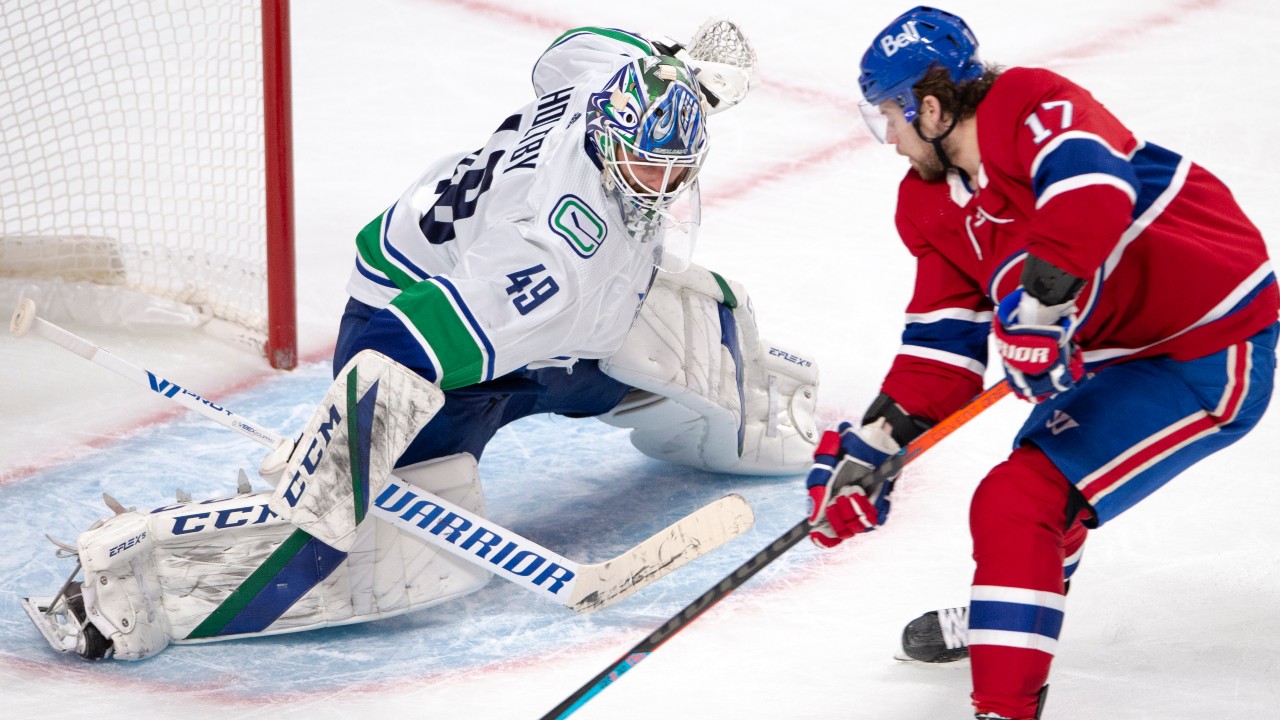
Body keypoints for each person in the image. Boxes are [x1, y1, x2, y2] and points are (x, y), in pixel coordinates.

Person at [24, 21, 820, 662]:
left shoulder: (609, 79)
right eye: (647, 169)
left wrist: (679, 71)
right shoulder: (551, 255)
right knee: (390, 548)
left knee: (658, 345)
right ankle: (133, 587)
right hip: (420, 338)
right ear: (610, 141)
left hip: (531, 331)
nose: (664, 187)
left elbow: (568, 49)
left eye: (678, 170)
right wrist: (339, 457)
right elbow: (405, 343)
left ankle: (730, 403)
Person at [803, 7, 1278, 719]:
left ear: (928, 108)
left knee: (1019, 500)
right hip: (1112, 359)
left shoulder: (1027, 104)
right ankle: (1010, 612)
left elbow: (1091, 189)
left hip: (1205, 345)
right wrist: (875, 443)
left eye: (889, 118)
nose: (890, 139)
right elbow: (941, 349)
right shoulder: (928, 205)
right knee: (1027, 499)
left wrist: (1042, 307)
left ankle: (1004, 695)